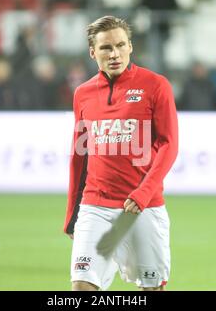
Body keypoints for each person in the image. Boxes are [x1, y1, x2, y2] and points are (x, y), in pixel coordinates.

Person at [64, 16, 179, 291]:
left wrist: (143, 193)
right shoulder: (83, 93)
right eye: (106, 48)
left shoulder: (156, 85)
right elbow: (80, 155)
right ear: (93, 52)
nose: (114, 54)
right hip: (96, 206)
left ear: (131, 47)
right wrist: (73, 211)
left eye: (120, 45)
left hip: (142, 207)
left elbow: (169, 144)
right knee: (82, 286)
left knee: (151, 288)